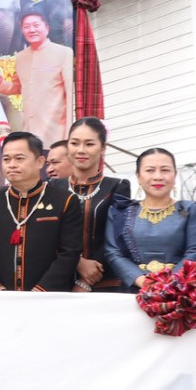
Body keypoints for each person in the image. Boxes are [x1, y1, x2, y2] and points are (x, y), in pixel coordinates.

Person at [0, 131, 84, 291]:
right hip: (0, 298)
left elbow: (69, 253)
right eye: (6, 159)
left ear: (39, 162)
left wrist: (41, 290)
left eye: (19, 158)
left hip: (49, 296)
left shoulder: (64, 201)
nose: (12, 165)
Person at [106, 148, 196, 290]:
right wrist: (143, 282)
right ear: (138, 176)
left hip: (180, 292)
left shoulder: (193, 210)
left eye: (165, 170)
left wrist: (168, 285)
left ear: (175, 174)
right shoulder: (120, 212)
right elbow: (113, 253)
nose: (158, 177)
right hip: (133, 291)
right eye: (150, 170)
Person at [65, 117, 132, 293]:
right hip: (60, 282)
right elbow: (49, 236)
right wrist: (78, 262)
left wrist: (85, 281)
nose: (81, 150)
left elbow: (117, 236)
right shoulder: (53, 187)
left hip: (105, 283)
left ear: (103, 148)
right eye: (74, 143)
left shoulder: (117, 186)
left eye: (89, 144)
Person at [0, 11, 75, 150]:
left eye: (36, 25)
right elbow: (16, 87)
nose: (32, 30)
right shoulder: (20, 58)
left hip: (56, 132)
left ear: (47, 28)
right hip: (30, 133)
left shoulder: (63, 53)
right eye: (26, 27)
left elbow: (70, 94)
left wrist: (69, 135)